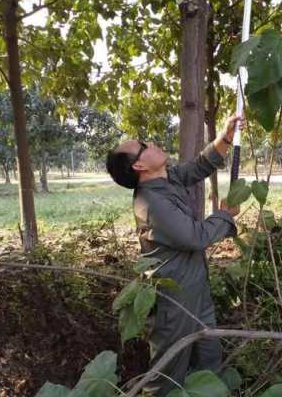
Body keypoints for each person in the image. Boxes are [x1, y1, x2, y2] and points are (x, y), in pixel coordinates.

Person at [106, 115, 245, 396]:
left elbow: (198, 167)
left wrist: (226, 137)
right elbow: (196, 237)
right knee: (167, 376)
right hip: (176, 300)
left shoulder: (165, 179)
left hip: (197, 290)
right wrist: (224, 217)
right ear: (139, 165)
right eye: (144, 145)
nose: (152, 143)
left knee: (209, 361)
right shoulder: (151, 203)